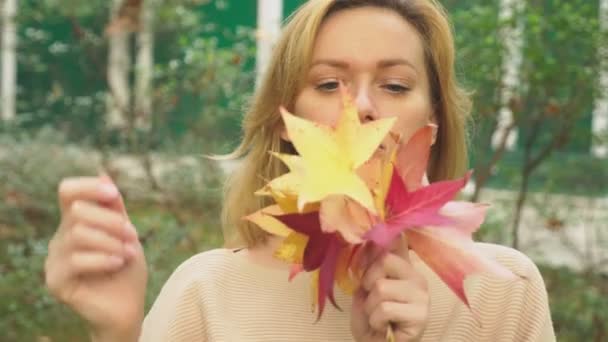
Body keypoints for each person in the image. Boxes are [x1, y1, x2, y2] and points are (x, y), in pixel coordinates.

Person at [44, 0, 556, 341]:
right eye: (329, 84)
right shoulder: (206, 291)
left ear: (434, 122)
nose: (360, 107)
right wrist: (117, 332)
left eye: (395, 86)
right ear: (288, 123)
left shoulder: (503, 291)